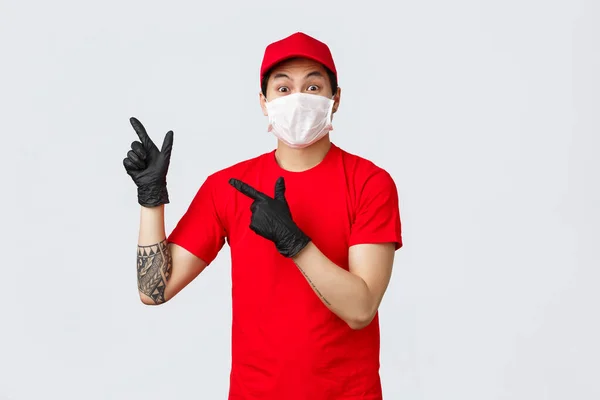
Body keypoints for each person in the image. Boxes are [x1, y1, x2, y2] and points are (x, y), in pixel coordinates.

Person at [123, 32, 403, 400]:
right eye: (283, 88)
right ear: (264, 102)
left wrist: (295, 243)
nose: (298, 99)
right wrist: (151, 199)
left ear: (335, 99)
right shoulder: (228, 187)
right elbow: (153, 291)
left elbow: (361, 309)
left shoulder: (370, 184)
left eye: (313, 87)